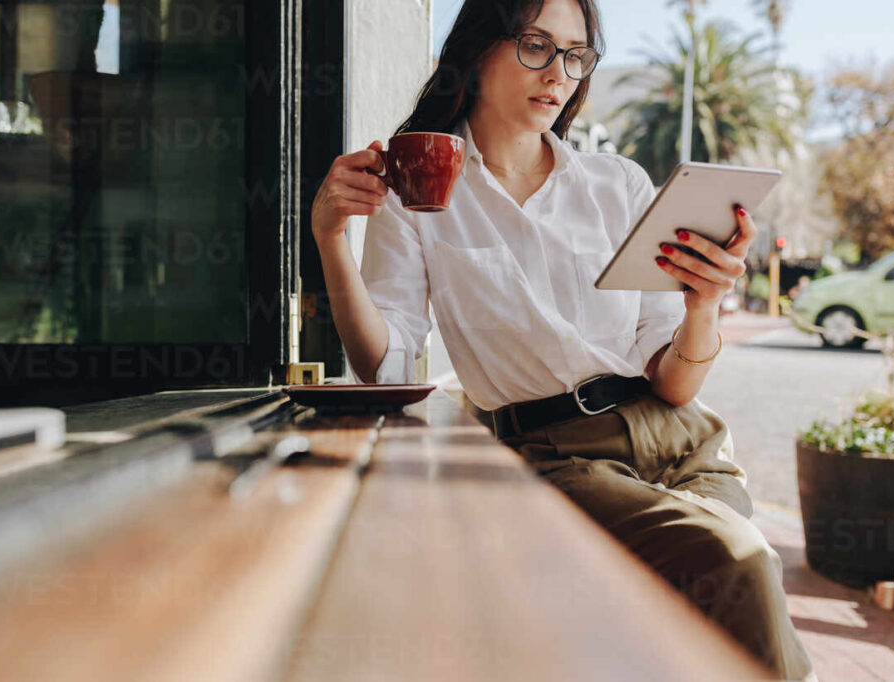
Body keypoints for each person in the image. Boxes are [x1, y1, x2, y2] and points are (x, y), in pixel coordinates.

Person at [310, 0, 816, 679]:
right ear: (478, 51)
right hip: (557, 456)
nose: (559, 73)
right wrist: (331, 239)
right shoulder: (417, 193)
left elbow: (675, 380)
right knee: (740, 566)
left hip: (680, 438)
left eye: (577, 55)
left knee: (702, 615)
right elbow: (386, 365)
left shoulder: (619, 185)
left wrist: (705, 305)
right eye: (536, 44)